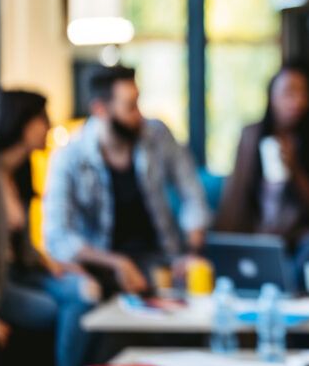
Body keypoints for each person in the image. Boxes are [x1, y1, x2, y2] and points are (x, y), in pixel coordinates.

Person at [44, 65, 210, 295]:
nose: (139, 115)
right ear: (100, 109)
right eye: (130, 107)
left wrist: (192, 252)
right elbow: (57, 235)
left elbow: (192, 193)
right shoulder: (69, 156)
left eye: (138, 103)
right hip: (101, 266)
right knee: (87, 293)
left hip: (160, 259)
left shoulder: (158, 135)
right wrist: (118, 263)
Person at [0, 90, 99, 366]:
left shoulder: (19, 172)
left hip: (22, 273)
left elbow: (23, 247)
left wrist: (50, 263)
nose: (50, 126)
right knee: (66, 308)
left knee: (87, 289)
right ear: (22, 122)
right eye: (43, 118)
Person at [214, 61, 309, 291]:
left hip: (307, 240)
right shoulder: (252, 136)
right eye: (288, 92)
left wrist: (294, 168)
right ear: (271, 96)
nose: (297, 101)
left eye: (303, 93)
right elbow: (234, 199)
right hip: (261, 238)